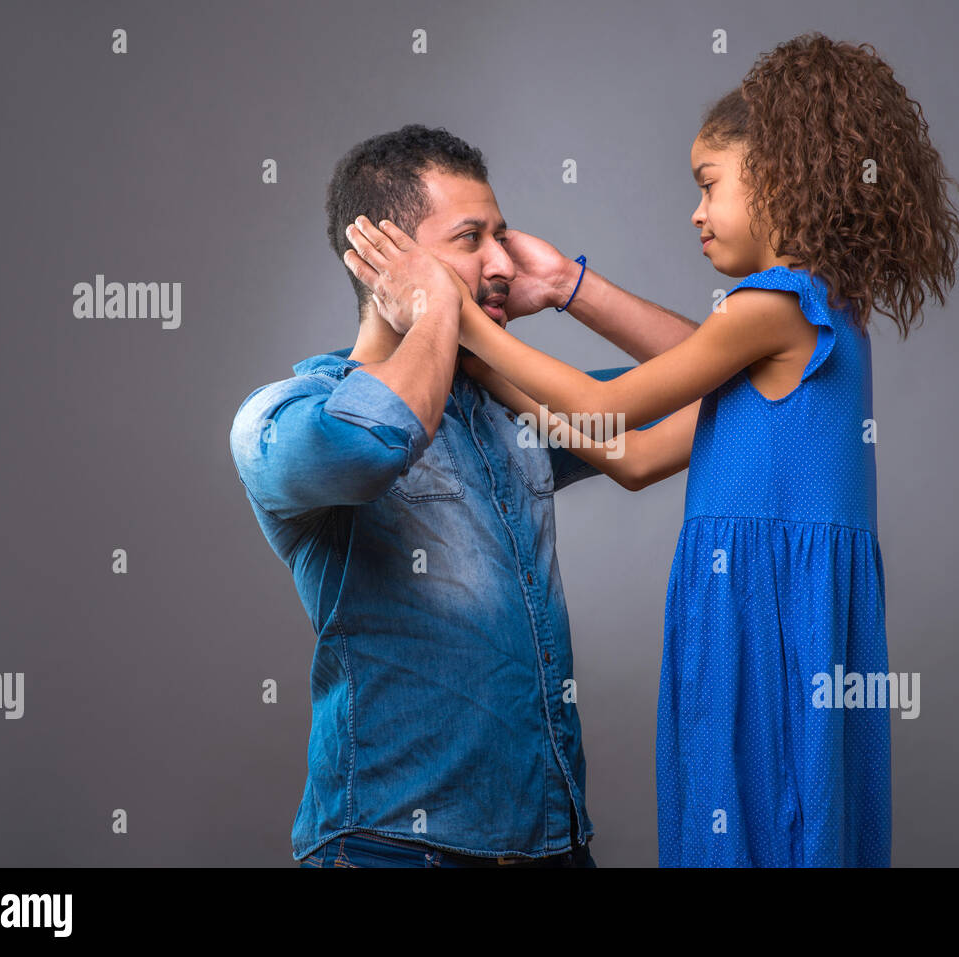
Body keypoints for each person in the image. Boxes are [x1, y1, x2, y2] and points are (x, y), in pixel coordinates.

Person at [348, 34, 959, 866]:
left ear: (782, 176)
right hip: (767, 619)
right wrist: (552, 304)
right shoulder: (820, 317)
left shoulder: (778, 305)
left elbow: (609, 402)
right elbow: (631, 453)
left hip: (763, 619)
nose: (696, 211)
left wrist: (453, 320)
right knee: (790, 821)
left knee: (759, 824)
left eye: (708, 184)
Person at [229, 124, 699, 867]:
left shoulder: (515, 410)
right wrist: (437, 311)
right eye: (472, 238)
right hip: (392, 847)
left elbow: (723, 385)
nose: (503, 263)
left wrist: (572, 288)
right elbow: (372, 443)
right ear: (383, 257)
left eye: (502, 238)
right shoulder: (286, 416)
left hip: (551, 843)